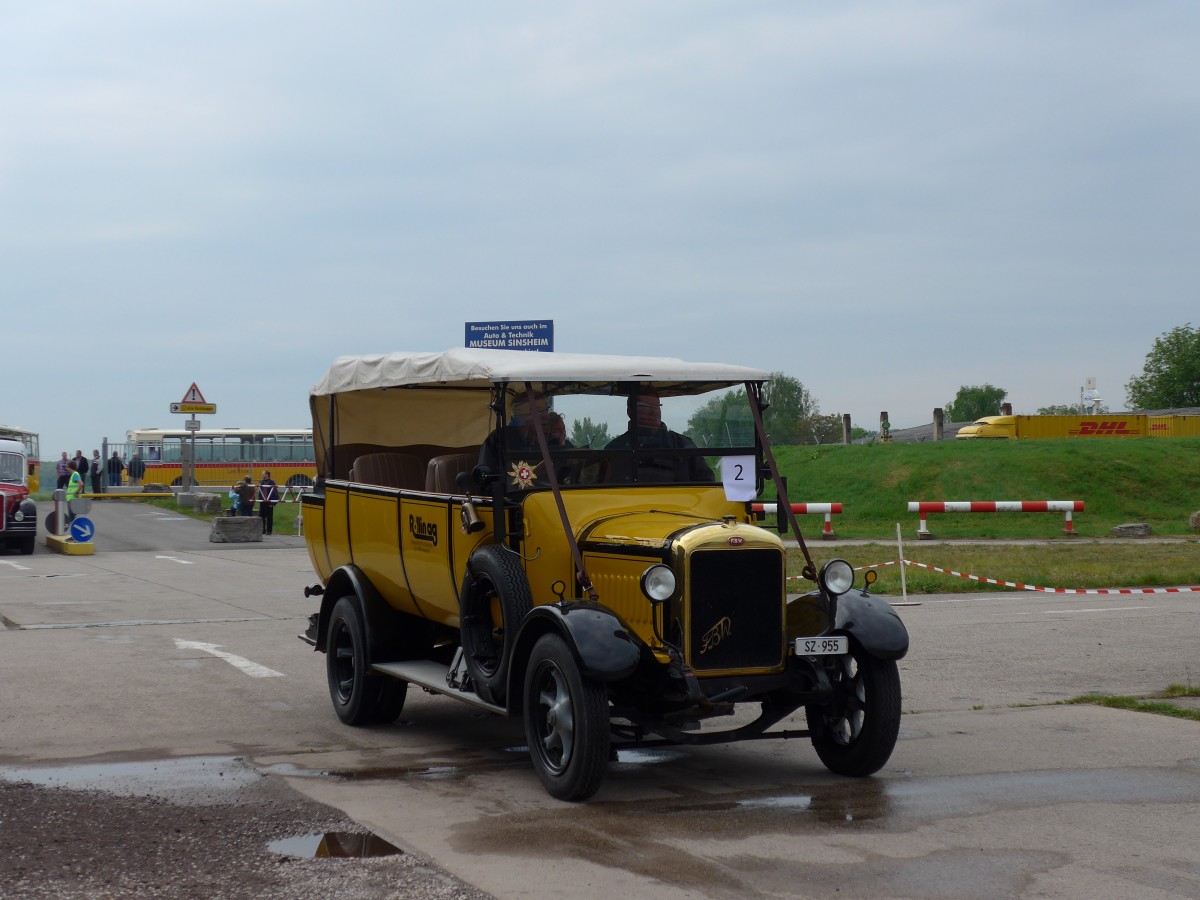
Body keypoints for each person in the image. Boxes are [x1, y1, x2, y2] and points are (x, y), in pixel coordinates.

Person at [606, 388, 713, 482]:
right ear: (630, 411)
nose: (654, 412)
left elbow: (706, 482)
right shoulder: (614, 450)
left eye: (657, 406)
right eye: (646, 406)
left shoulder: (682, 444)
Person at [477, 394, 572, 484]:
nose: (545, 416)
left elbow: (566, 472)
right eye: (538, 410)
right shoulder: (499, 439)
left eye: (545, 411)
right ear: (520, 414)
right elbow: (486, 481)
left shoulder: (551, 440)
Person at [65, 459, 86, 526]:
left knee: (72, 517)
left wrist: (77, 492)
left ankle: (73, 531)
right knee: (72, 517)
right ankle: (74, 531)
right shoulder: (74, 474)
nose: (67, 468)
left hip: (72, 499)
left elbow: (81, 484)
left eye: (67, 467)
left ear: (70, 467)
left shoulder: (75, 474)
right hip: (71, 499)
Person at [258, 470, 278, 534]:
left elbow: (275, 493)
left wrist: (273, 503)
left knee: (269, 517)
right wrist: (260, 500)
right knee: (261, 517)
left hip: (269, 502)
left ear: (267, 475)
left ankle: (269, 531)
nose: (262, 475)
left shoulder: (272, 483)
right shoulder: (262, 483)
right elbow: (260, 492)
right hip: (263, 502)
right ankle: (262, 529)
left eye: (263, 474)